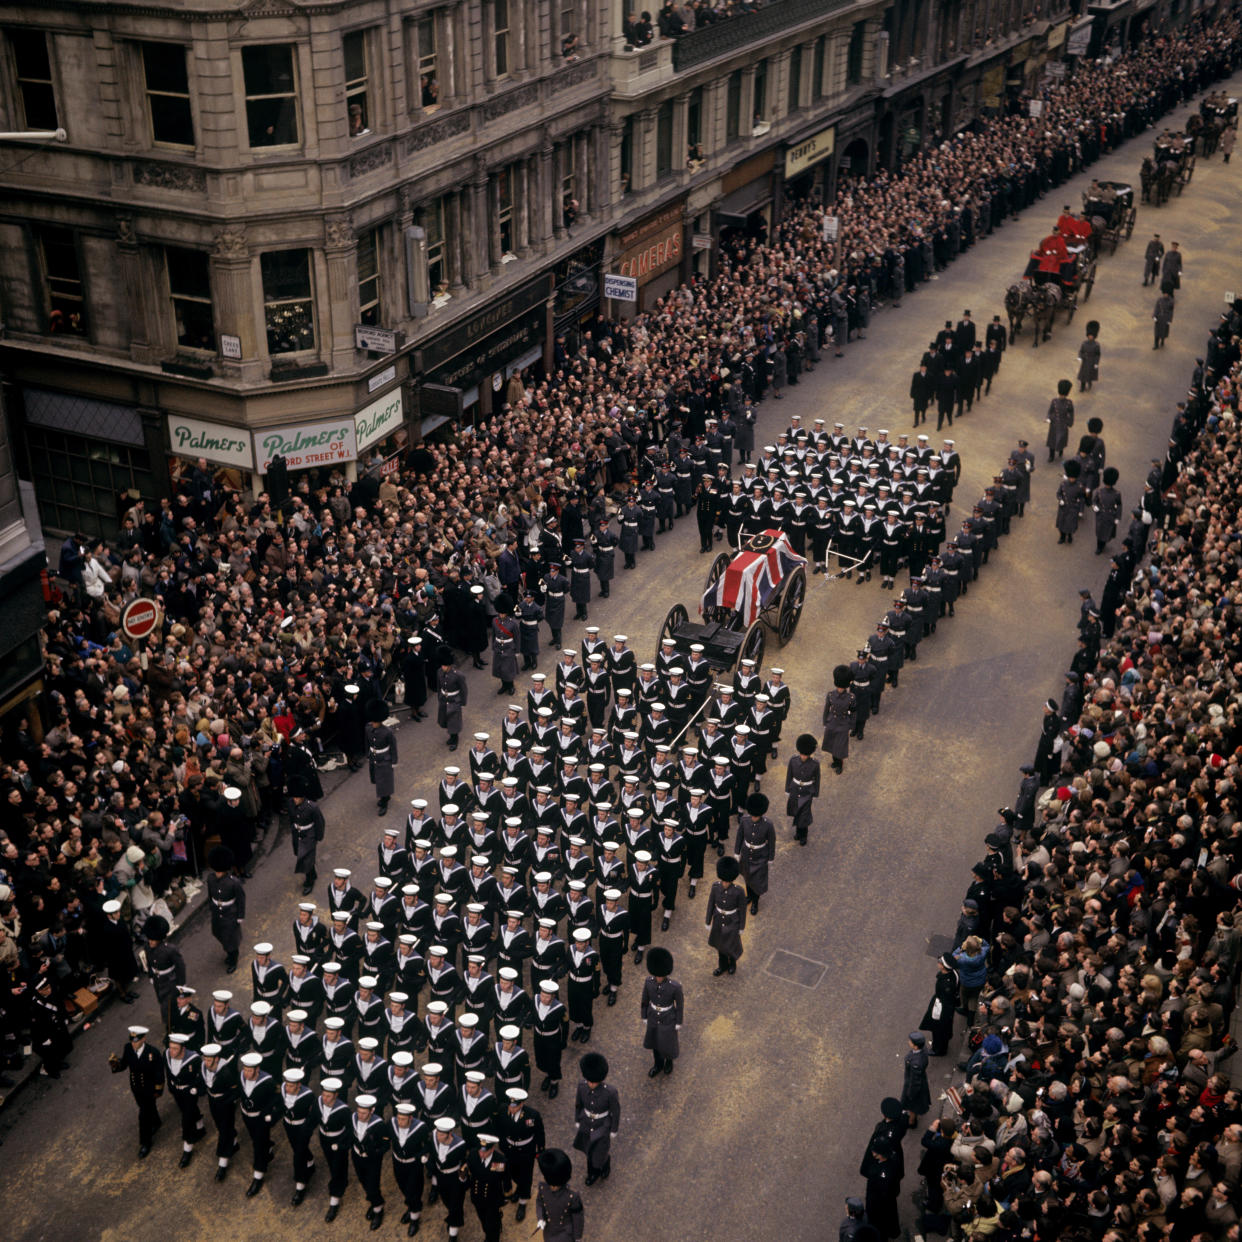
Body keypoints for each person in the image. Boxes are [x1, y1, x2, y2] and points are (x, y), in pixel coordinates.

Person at [110, 1024, 165, 1159]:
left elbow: (159, 1073)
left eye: (136, 1042)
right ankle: (156, 1121)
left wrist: (158, 1089)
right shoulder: (128, 1048)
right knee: (146, 1107)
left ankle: (145, 1142)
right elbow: (124, 1064)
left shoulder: (153, 1053)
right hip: (136, 1088)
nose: (134, 1045)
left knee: (143, 1116)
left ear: (143, 1039)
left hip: (149, 1089)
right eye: (132, 1041)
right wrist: (116, 1064)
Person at [573, 1051, 620, 1186]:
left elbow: (615, 1111)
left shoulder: (610, 1092)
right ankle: (592, 1173)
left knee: (599, 1153)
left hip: (602, 1125)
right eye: (589, 1081)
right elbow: (578, 1104)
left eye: (594, 1082)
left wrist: (613, 1129)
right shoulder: (582, 1086)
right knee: (588, 1150)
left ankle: (603, 1166)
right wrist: (577, 1119)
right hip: (586, 1122)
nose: (591, 1084)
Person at [165, 1032, 207, 1167]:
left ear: (183, 1048)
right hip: (176, 1091)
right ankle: (200, 1127)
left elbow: (201, 1076)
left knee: (186, 1119)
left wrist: (196, 1089)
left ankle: (187, 1149)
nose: (171, 1051)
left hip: (189, 1092)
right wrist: (171, 1087)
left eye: (175, 1049)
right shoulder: (166, 1054)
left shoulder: (194, 1059)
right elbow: (168, 1072)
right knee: (187, 1110)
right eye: (170, 1047)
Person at [640, 945, 682, 1076]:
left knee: (667, 1042)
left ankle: (669, 1061)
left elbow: (680, 1005)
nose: (658, 978)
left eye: (660, 975)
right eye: (656, 975)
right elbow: (645, 1000)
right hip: (653, 1015)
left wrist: (678, 1021)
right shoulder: (648, 982)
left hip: (668, 1017)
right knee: (655, 1043)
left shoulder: (675, 987)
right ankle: (658, 1065)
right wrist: (644, 1016)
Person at [206, 845, 246, 974]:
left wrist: (240, 916)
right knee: (217, 932)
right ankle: (229, 951)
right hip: (217, 913)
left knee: (230, 938)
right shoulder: (211, 879)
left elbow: (241, 899)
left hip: (230, 914)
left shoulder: (234, 882)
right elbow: (210, 895)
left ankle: (233, 957)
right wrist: (211, 907)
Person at [734, 793, 776, 915]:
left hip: (760, 856)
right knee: (747, 877)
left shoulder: (768, 824)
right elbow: (739, 836)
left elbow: (772, 842)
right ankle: (749, 896)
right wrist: (737, 852)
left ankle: (755, 902)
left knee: (757, 881)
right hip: (746, 854)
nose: (753, 817)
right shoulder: (744, 820)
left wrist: (770, 858)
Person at [705, 856, 746, 977]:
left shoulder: (739, 891)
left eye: (727, 881)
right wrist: (708, 921)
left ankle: (732, 964)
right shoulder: (715, 887)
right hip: (718, 920)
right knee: (720, 945)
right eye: (723, 881)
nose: (725, 883)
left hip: (732, 922)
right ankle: (722, 966)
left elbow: (742, 911)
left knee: (731, 945)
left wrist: (741, 927)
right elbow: (711, 904)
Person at [145, 912, 186, 1031]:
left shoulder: (170, 950)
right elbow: (149, 962)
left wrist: (182, 984)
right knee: (162, 1001)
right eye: (150, 939)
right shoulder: (147, 947)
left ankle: (171, 1027)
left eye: (154, 940)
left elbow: (180, 966)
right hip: (158, 982)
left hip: (170, 983)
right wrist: (151, 976)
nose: (151, 942)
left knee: (167, 1007)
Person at [465, 1133, 508, 1242]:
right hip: (477, 1196)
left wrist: (506, 1194)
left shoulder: (500, 1160)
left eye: (485, 1151)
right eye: (480, 1150)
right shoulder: (473, 1154)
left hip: (492, 1199)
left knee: (492, 1226)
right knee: (483, 1220)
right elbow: (469, 1171)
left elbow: (502, 1178)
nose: (482, 1154)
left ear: (492, 1148)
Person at [536, 1148, 584, 1242]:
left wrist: (577, 1237)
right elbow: (539, 1203)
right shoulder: (543, 1188)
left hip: (565, 1235)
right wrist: (540, 1218)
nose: (552, 1188)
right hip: (549, 1231)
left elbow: (578, 1218)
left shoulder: (572, 1196)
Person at [919, 954, 958, 1055]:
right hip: (944, 1005)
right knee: (941, 1028)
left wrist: (938, 1014)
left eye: (940, 961)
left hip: (943, 1009)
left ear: (944, 966)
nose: (938, 962)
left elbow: (945, 1001)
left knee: (939, 1029)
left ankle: (939, 1050)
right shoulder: (953, 974)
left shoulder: (946, 984)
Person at [289, 788, 326, 896]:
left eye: (297, 797)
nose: (295, 799)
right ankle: (313, 874)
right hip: (297, 834)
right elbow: (292, 818)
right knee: (301, 855)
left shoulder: (312, 807)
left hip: (309, 835)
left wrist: (318, 837)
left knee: (306, 858)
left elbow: (320, 822)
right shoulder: (291, 803)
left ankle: (309, 881)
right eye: (294, 797)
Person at [365, 700, 398, 816]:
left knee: (383, 782)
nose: (372, 723)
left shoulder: (387, 732)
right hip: (374, 758)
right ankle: (385, 797)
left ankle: (384, 802)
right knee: (377, 780)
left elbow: (393, 747)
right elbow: (368, 743)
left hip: (384, 760)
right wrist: (368, 755)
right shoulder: (368, 728)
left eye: (375, 721)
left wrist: (394, 761)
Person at [821, 664, 856, 774]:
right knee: (831, 744)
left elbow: (854, 712)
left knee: (840, 747)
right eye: (839, 686)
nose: (840, 689)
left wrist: (851, 725)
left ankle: (839, 764)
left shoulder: (851, 698)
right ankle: (835, 761)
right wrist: (825, 721)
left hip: (843, 724)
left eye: (841, 687)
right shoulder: (831, 695)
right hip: (832, 723)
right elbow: (826, 709)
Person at [436, 646, 468, 751]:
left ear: (449, 665)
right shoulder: (439, 672)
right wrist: (440, 697)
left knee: (454, 722)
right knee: (446, 719)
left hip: (454, 701)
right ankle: (451, 737)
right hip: (444, 700)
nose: (443, 667)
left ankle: (455, 739)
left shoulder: (458, 675)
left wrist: (462, 702)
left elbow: (463, 689)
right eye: (442, 665)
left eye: (445, 666)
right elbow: (439, 686)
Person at [900, 1032, 931, 1127]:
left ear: (916, 1047)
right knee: (914, 1105)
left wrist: (910, 1094)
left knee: (912, 1106)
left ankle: (911, 1122)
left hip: (913, 1086)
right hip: (920, 1080)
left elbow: (915, 1081)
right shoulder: (923, 1050)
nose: (909, 1042)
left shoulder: (916, 1063)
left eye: (911, 1041)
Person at [1092, 465, 1121, 554]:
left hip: (1110, 516)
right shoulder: (1099, 491)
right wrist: (1095, 507)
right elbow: (1094, 501)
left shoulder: (1117, 494)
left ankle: (1103, 544)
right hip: (1101, 514)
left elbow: (1119, 505)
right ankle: (1099, 547)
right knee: (1100, 532)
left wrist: (1117, 517)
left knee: (1107, 532)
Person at [1055, 459, 1085, 545]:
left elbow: (1082, 498)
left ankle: (1070, 536)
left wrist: (1080, 510)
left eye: (1073, 478)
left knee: (1070, 525)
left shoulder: (1079, 486)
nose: (1071, 479)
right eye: (1070, 477)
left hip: (1073, 508)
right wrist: (1060, 499)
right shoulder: (1063, 484)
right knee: (1062, 524)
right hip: (1063, 508)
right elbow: (1058, 493)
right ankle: (1062, 537)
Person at [1045, 379, 1074, 462]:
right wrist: (1049, 418)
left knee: (1061, 440)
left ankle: (1061, 451)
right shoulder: (1054, 401)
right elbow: (1050, 411)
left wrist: (1069, 423)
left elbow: (1071, 414)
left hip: (1063, 425)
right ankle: (1051, 455)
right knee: (1052, 441)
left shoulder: (1069, 403)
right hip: (1054, 424)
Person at [1076, 320, 1100, 392]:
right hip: (1085, 360)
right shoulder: (1084, 343)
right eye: (1089, 335)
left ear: (1094, 336)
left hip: (1092, 361)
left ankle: (1089, 383)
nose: (1090, 337)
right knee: (1083, 375)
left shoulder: (1096, 345)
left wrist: (1096, 363)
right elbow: (1081, 351)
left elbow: (1097, 355)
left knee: (1090, 374)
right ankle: (1082, 387)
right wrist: (1080, 357)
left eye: (1091, 336)